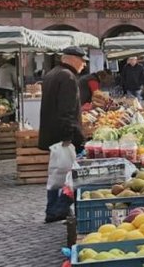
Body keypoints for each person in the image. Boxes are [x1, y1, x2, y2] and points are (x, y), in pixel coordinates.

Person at [38, 46, 88, 223]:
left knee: (57, 174)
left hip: (54, 134)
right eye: (82, 60)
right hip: (64, 136)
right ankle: (57, 209)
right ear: (72, 59)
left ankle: (54, 209)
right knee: (68, 175)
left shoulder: (52, 74)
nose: (84, 64)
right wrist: (74, 138)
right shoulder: (67, 77)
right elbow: (67, 111)